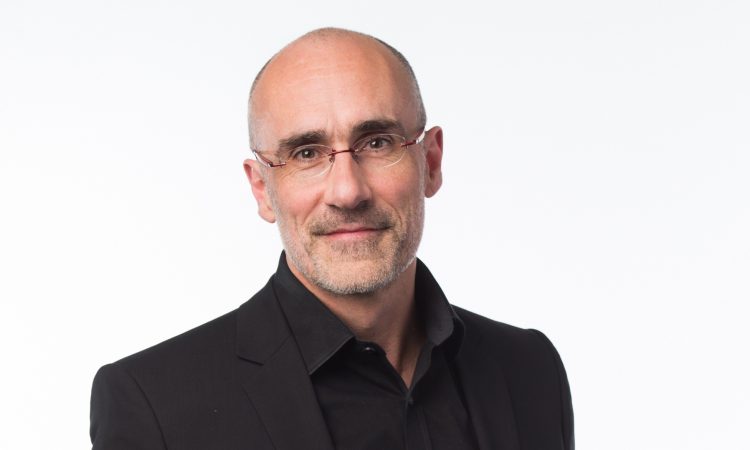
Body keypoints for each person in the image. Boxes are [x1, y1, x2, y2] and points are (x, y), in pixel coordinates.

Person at [90, 28, 574, 450]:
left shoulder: (528, 370)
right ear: (262, 189)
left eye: (378, 142)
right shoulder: (155, 407)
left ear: (430, 162)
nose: (347, 191)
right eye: (305, 153)